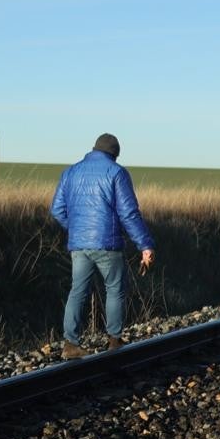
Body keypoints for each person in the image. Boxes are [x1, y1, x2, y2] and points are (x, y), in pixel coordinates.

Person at [52, 133, 156, 359]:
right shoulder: (117, 172)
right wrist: (145, 245)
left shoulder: (70, 172)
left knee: (78, 291)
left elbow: (57, 209)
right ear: (114, 154)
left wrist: (77, 228)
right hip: (107, 244)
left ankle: (70, 344)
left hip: (79, 245)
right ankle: (114, 341)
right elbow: (128, 213)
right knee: (114, 290)